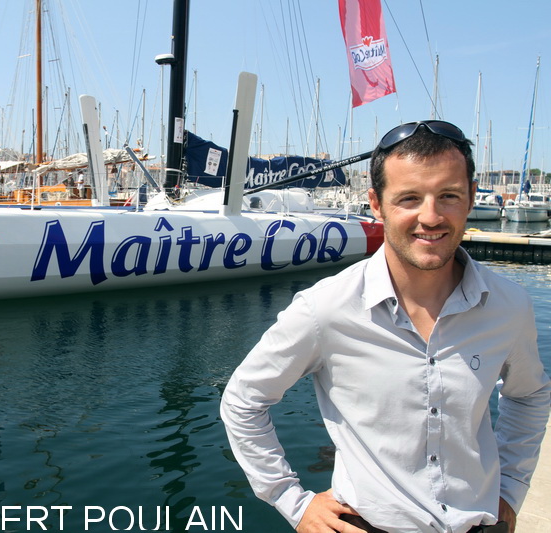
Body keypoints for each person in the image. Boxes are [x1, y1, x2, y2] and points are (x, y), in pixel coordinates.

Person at [220, 120, 551, 533]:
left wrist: (513, 484)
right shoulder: (327, 308)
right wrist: (293, 501)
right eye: (409, 198)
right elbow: (243, 400)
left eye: (448, 196)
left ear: (469, 199)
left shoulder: (509, 306)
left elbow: (529, 395)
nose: (430, 217)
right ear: (376, 204)